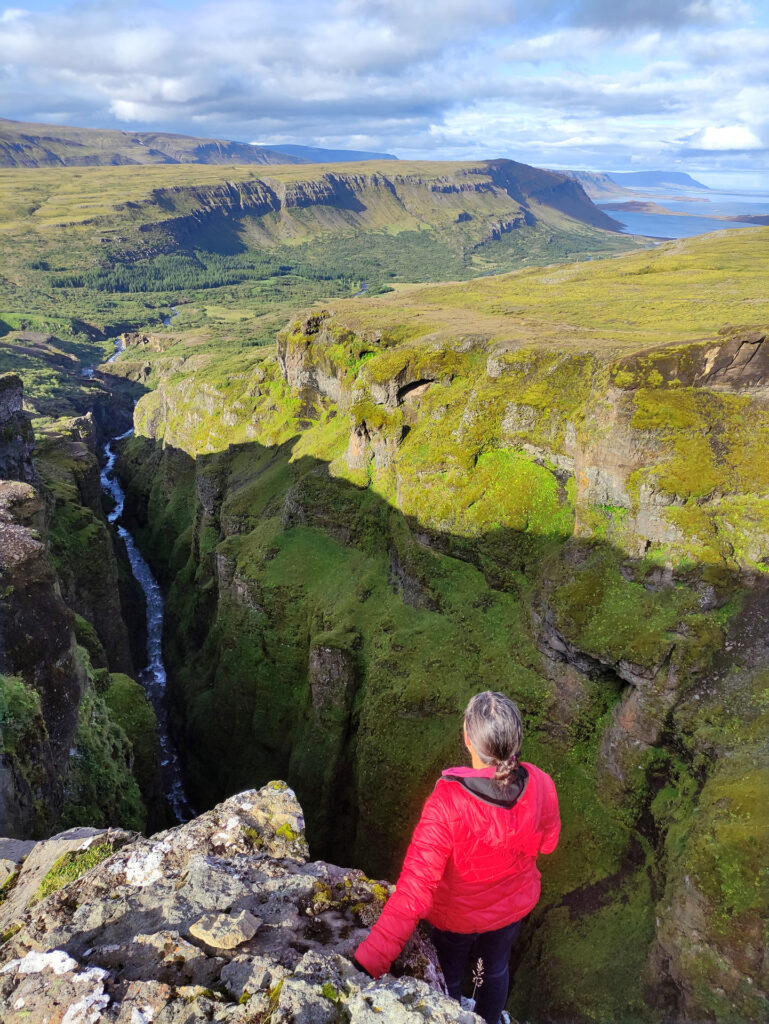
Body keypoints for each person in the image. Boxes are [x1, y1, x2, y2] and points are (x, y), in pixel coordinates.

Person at [353, 691, 560, 1024]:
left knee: (448, 971)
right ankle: (490, 1019)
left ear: (467, 739)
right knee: (495, 968)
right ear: (516, 739)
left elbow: (414, 891)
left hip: (455, 918)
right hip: (512, 907)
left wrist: (370, 961)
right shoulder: (542, 783)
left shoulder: (447, 802)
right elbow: (548, 843)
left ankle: (449, 1015)